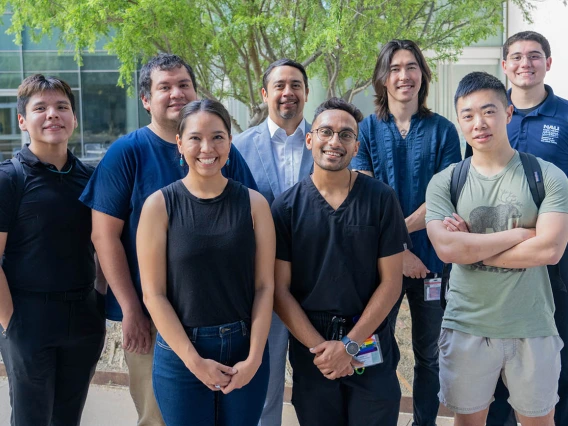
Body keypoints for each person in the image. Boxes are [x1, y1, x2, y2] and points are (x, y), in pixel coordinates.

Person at [79, 54, 258, 426]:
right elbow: (104, 235)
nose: (176, 93)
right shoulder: (127, 153)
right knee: (159, 419)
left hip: (220, 320)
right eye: (164, 87)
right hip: (153, 318)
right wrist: (131, 310)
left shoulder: (223, 152)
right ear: (146, 99)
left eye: (183, 85)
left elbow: (250, 224)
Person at [426, 71, 568, 426]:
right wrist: (520, 234)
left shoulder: (546, 176)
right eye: (468, 115)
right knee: (469, 421)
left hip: (532, 325)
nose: (479, 123)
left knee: (539, 421)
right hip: (467, 325)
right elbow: (446, 248)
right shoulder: (446, 182)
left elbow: (549, 250)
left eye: (489, 111)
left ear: (507, 113)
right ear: (459, 120)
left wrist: (470, 246)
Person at [272, 97, 412, 426]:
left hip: (369, 342)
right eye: (326, 132)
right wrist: (324, 349)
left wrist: (349, 345)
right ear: (309, 139)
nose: (335, 141)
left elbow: (392, 282)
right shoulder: (286, 208)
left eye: (346, 135)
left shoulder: (381, 199)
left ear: (356, 146)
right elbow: (279, 290)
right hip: (314, 351)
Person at [137, 99, 274, 425]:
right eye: (196, 137)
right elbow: (153, 295)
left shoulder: (255, 205)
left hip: (244, 348)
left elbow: (265, 286)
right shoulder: (158, 206)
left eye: (217, 137)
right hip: (181, 352)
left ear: (229, 142)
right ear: (180, 144)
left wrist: (254, 358)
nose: (207, 147)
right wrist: (194, 361)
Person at [350, 39, 461, 426]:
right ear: (382, 77)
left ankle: (424, 421)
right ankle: (379, 419)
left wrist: (403, 241)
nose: (404, 75)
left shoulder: (444, 130)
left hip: (432, 263)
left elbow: (445, 197)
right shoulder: (363, 129)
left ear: (422, 75)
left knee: (429, 352)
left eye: (411, 67)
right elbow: (364, 198)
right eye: (395, 68)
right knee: (375, 345)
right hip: (381, 264)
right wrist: (399, 250)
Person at [464, 32, 568, 426]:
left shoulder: (565, 117)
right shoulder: (485, 116)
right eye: (517, 57)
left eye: (535, 56)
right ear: (504, 66)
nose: (526, 63)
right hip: (494, 260)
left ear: (548, 63)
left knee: (552, 354)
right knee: (494, 355)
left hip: (551, 257)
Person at [0, 74, 106, 425]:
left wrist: (100, 297)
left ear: (74, 118)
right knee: (31, 419)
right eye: (40, 108)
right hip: (29, 319)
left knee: (67, 419)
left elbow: (103, 244)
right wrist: (10, 321)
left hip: (84, 316)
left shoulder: (90, 178)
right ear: (22, 120)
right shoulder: (9, 178)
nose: (52, 115)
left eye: (62, 107)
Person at [233, 58, 312, 426]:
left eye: (295, 85)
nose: (288, 93)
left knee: (319, 386)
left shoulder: (329, 140)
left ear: (306, 93)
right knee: (265, 388)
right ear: (264, 94)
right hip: (262, 283)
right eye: (279, 85)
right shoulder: (237, 148)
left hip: (319, 283)